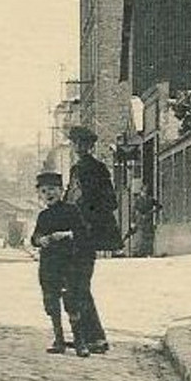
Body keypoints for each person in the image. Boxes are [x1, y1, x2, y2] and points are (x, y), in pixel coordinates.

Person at [64, 125, 115, 354]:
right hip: (76, 235)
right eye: (76, 143)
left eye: (83, 143)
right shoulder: (77, 169)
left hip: (86, 235)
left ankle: (94, 338)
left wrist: (87, 216)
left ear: (90, 146)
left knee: (79, 285)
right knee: (77, 285)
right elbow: (70, 200)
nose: (80, 147)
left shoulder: (97, 169)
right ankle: (88, 336)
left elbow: (109, 201)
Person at [29, 170, 90, 356]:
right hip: (49, 265)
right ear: (40, 194)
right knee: (51, 302)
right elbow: (35, 237)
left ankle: (80, 342)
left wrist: (66, 234)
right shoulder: (43, 216)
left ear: (62, 190)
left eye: (53, 190)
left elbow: (83, 233)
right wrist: (41, 240)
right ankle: (59, 340)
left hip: (69, 263)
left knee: (72, 302)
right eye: (45, 191)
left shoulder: (71, 210)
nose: (49, 194)